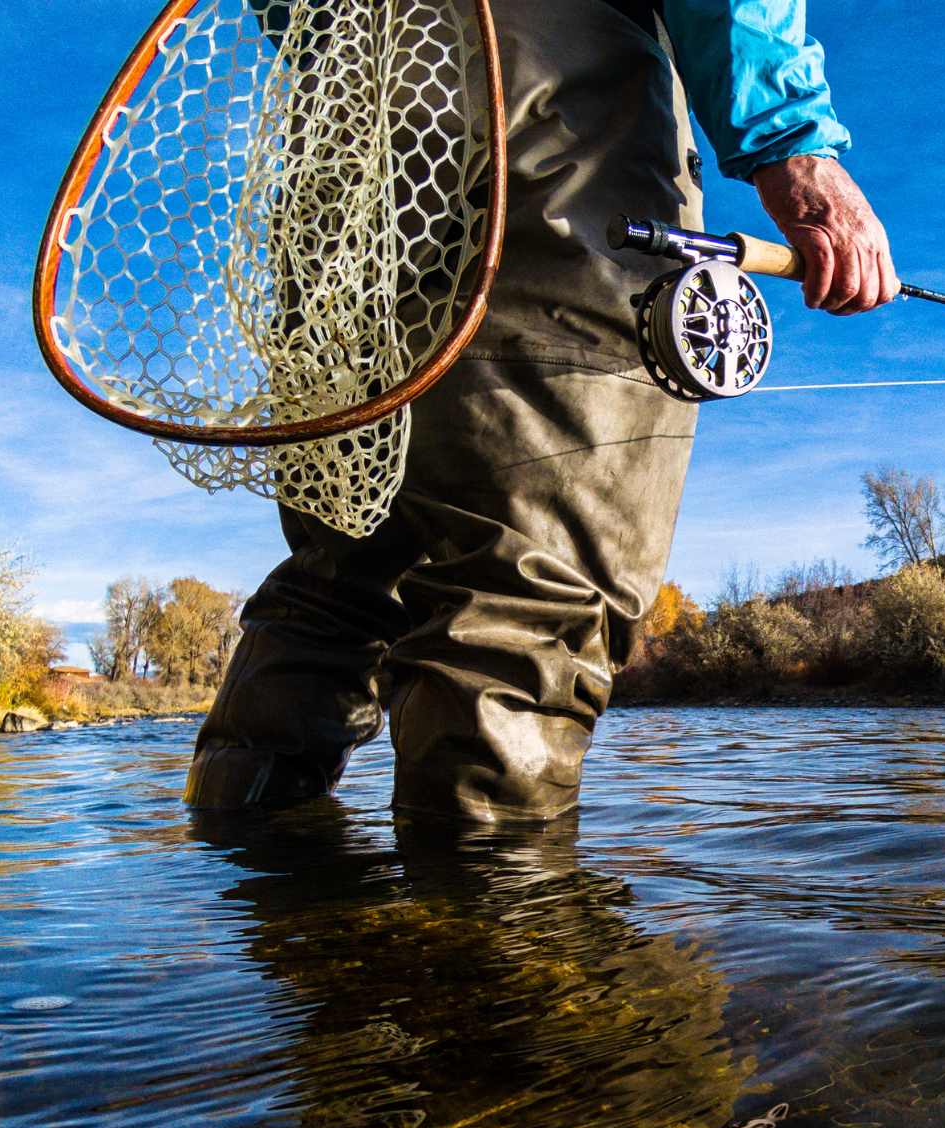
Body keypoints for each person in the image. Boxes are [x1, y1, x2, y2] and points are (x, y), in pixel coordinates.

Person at [186, 0, 897, 824]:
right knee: (527, 604)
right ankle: (494, 945)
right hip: (555, 115)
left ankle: (252, 915)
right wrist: (791, 145)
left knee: (331, 590)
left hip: (344, 137)